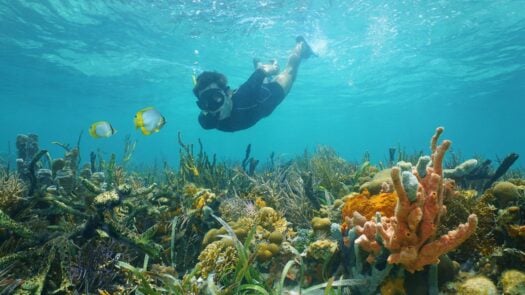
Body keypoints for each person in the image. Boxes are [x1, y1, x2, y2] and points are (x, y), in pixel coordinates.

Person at [192, 36, 315, 132]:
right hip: (256, 94)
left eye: (216, 98)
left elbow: (261, 73)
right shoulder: (206, 121)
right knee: (258, 84)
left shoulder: (245, 93)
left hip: (271, 96)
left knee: (290, 70)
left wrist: (274, 68)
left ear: (228, 93)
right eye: (204, 103)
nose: (211, 108)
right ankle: (258, 65)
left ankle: (301, 45)